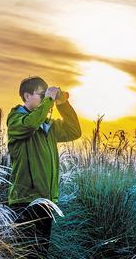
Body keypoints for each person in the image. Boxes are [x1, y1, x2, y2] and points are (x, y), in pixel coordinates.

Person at [7, 76, 82, 258]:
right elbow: (31, 123)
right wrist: (49, 100)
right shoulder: (16, 119)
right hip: (24, 199)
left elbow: (75, 131)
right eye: (41, 95)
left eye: (46, 96)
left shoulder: (49, 126)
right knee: (22, 253)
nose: (45, 99)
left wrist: (62, 104)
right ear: (26, 95)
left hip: (46, 200)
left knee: (40, 253)